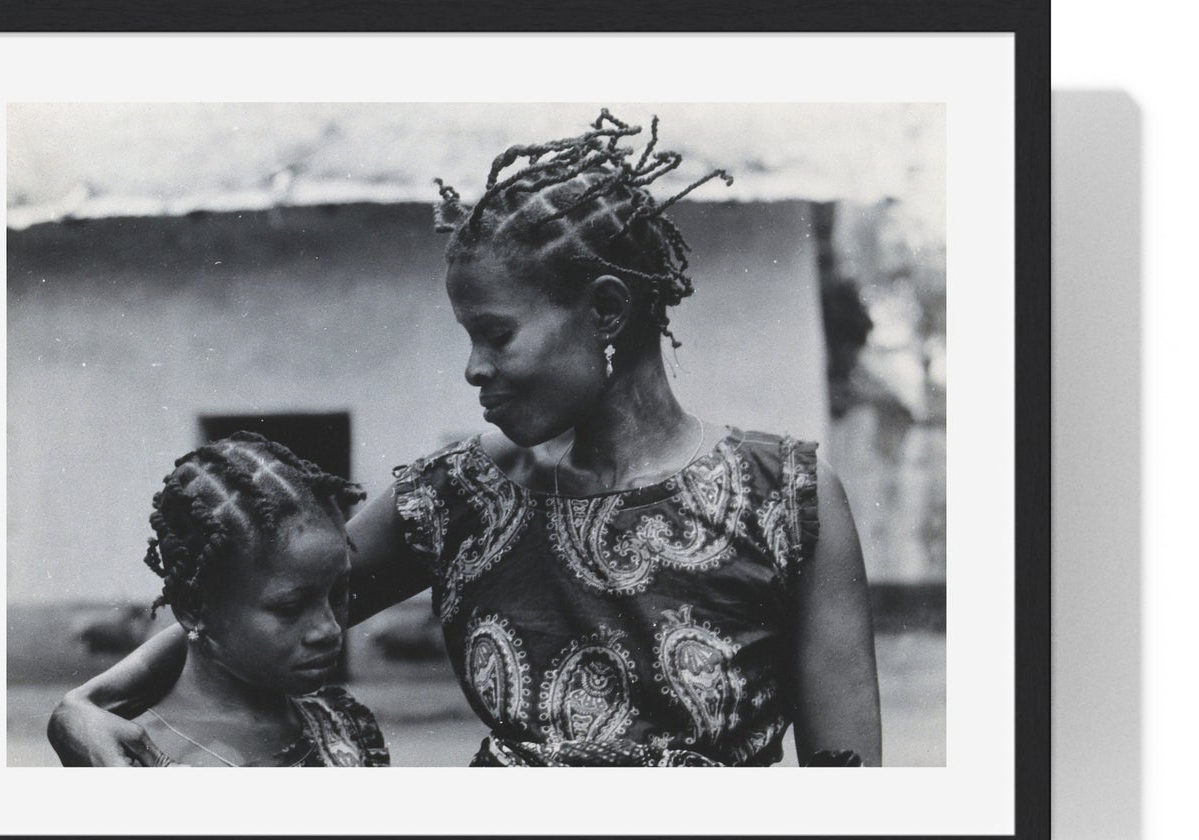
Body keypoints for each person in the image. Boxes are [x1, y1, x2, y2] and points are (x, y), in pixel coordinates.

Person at [49, 110, 880, 767]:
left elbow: (846, 795)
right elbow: (247, 598)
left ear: (605, 312)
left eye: (494, 333)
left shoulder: (787, 503)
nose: (473, 369)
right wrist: (84, 706)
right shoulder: (457, 498)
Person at [49, 432, 388, 768]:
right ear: (193, 608)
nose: (329, 629)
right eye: (290, 608)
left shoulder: (346, 726)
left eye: (340, 593)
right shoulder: (125, 755)